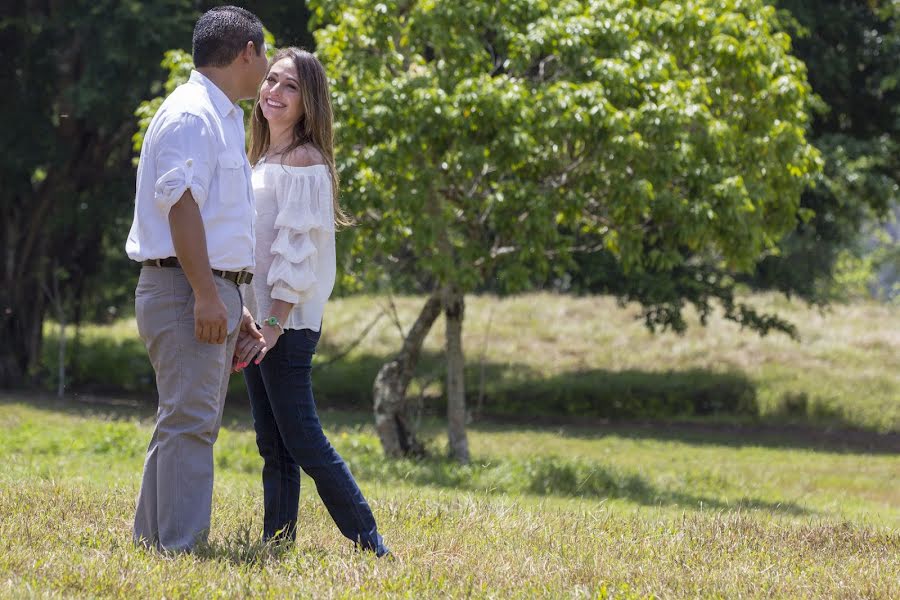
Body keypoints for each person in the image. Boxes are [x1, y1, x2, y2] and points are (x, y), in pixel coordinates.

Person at [231, 47, 390, 557]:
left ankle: (370, 542)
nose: (273, 92)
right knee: (272, 442)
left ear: (309, 102)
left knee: (301, 437)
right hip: (257, 320)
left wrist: (275, 322)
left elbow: (296, 254)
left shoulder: (304, 161)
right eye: (271, 81)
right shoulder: (263, 159)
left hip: (285, 324)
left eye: (290, 86)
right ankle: (277, 541)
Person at [125, 6, 269, 552]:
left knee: (180, 420)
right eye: (264, 54)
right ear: (246, 51)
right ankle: (180, 548)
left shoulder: (219, 115)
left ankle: (153, 541)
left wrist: (233, 299)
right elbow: (179, 207)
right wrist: (209, 295)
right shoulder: (193, 115)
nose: (267, 67)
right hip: (187, 288)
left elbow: (215, 221)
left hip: (204, 286)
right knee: (191, 424)